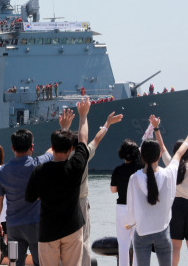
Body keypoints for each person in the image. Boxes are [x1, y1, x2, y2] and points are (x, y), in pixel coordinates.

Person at [126, 121, 188, 266]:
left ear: (141, 156)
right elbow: (179, 154)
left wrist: (131, 224)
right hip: (162, 231)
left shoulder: (134, 178)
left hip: (142, 231)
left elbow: (130, 207)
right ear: (160, 155)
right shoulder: (168, 174)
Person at [64, 106, 123, 266]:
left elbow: (62, 142)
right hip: (81, 202)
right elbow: (96, 139)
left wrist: (64, 128)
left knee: (65, 241)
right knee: (83, 240)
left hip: (63, 203)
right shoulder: (83, 156)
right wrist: (107, 123)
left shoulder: (63, 157)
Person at [0, 129, 53, 266]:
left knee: (14, 263)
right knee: (42, 262)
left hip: (13, 228)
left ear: (13, 148)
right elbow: (52, 151)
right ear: (32, 147)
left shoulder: (2, 171)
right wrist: (64, 129)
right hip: (36, 225)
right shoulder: (37, 163)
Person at [154, 117, 188, 266]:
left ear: (176, 152)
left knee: (175, 246)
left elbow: (162, 148)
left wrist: (156, 128)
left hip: (174, 208)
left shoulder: (170, 165)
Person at [111, 139, 142, 266]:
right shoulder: (141, 169)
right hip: (137, 210)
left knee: (123, 243)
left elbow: (113, 190)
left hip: (122, 209)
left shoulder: (118, 170)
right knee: (137, 243)